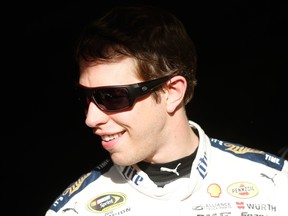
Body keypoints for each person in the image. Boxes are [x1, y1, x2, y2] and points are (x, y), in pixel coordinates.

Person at [45, 4, 288, 216]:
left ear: (172, 92)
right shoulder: (74, 209)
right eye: (86, 96)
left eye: (112, 96)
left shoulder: (277, 185)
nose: (91, 118)